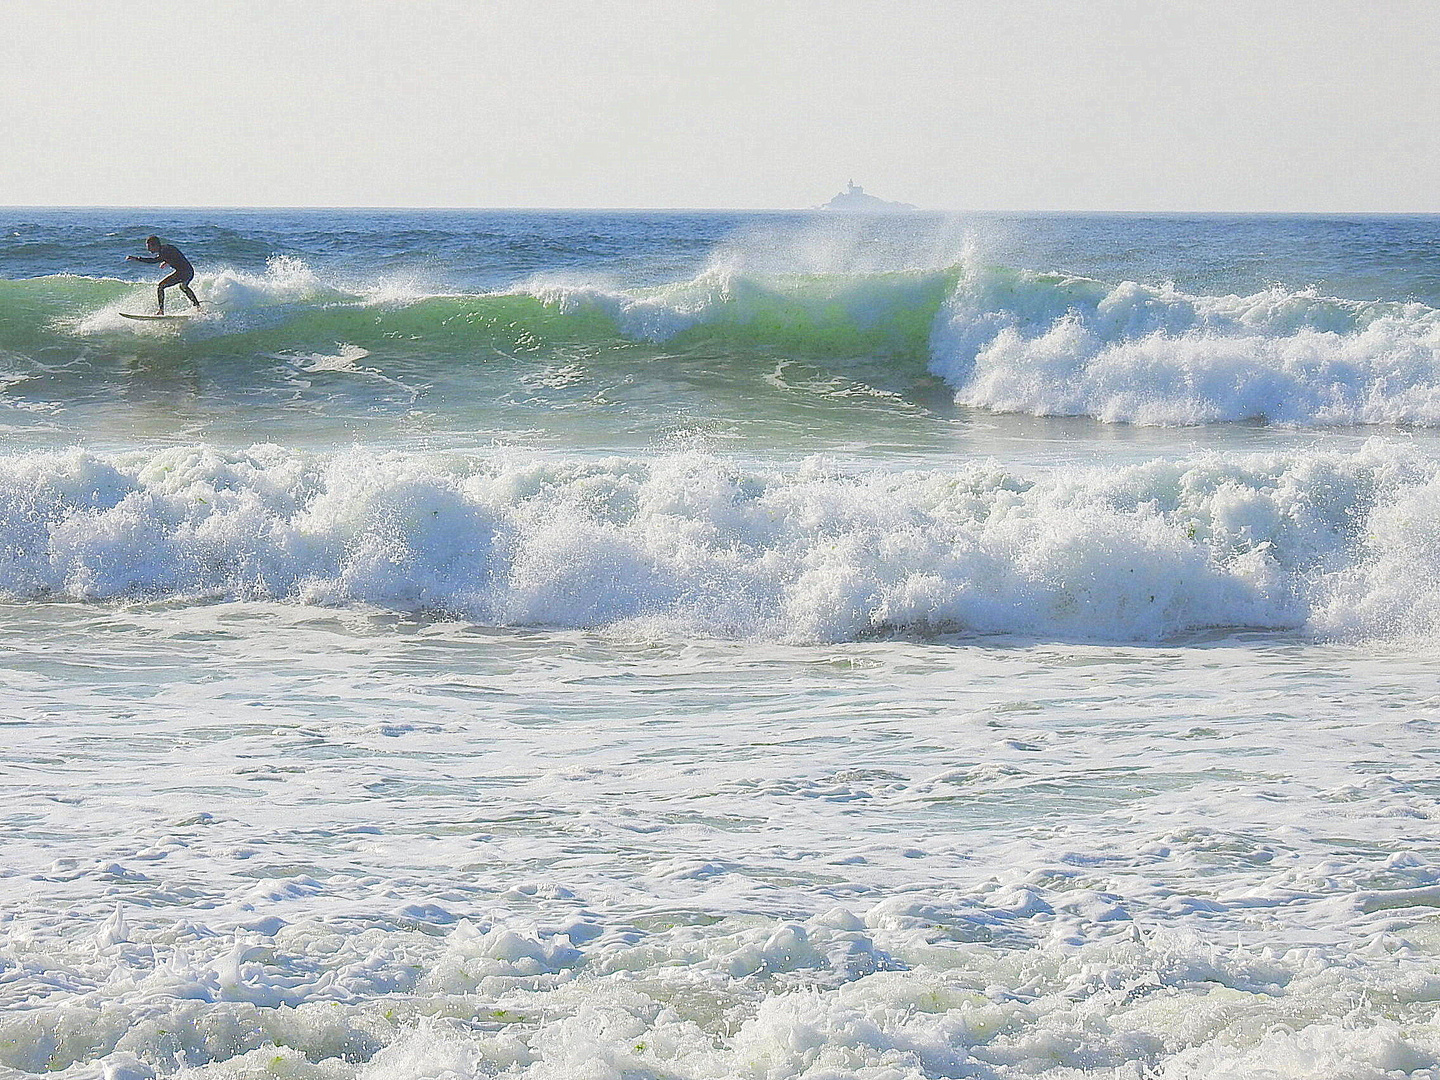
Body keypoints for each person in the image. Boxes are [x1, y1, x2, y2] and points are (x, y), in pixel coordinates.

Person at [126, 236, 201, 315]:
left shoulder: (164, 251)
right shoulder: (166, 248)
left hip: (184, 272)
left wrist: (136, 258)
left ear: (155, 245)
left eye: (149, 247)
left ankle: (161, 311)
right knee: (183, 287)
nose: (148, 249)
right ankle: (197, 306)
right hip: (189, 271)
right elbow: (175, 255)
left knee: (161, 286)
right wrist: (167, 261)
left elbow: (153, 261)